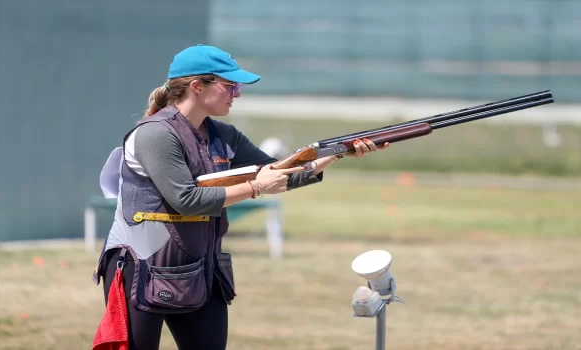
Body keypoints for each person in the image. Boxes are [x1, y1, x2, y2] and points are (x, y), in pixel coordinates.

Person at [91, 44, 389, 350]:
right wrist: (255, 187)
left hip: (199, 265)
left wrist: (337, 154)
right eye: (230, 85)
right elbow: (186, 200)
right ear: (197, 86)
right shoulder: (155, 134)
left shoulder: (224, 136)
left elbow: (280, 171)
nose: (237, 93)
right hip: (140, 265)